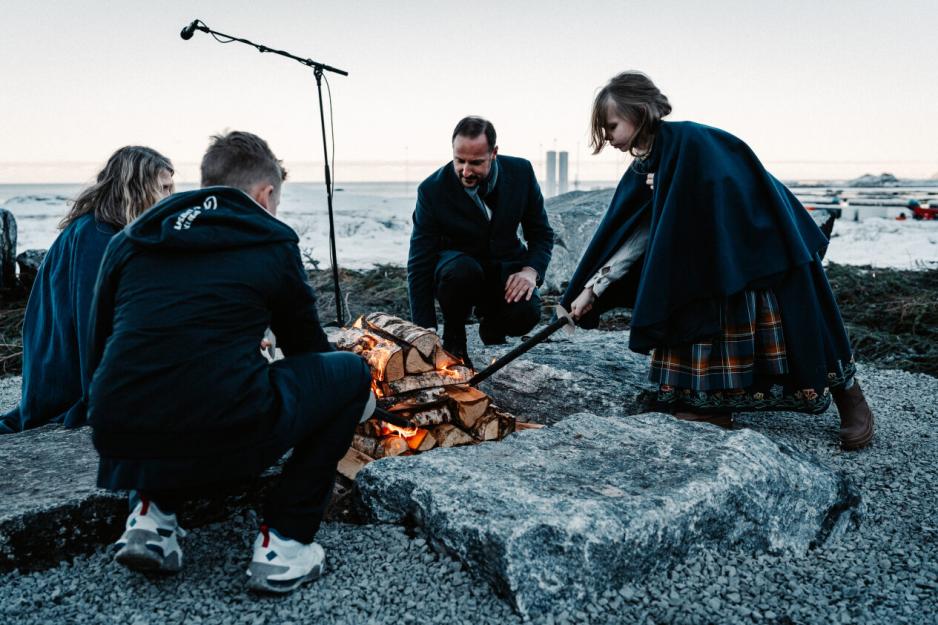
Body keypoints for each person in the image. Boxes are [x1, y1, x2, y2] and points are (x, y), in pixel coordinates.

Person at [85, 131, 375, 593]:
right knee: (351, 374)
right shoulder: (270, 239)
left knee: (168, 376)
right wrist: (360, 399)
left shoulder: (135, 235)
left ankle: (151, 517)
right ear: (265, 193)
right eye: (276, 200)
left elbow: (102, 341)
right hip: (224, 427)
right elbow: (307, 351)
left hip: (118, 428)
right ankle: (285, 543)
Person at [561, 71, 874, 450]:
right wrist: (593, 289)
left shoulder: (692, 141)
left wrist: (679, 190)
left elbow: (730, 189)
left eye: (610, 125)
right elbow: (639, 233)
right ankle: (710, 406)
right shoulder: (645, 165)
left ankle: (852, 400)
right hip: (707, 263)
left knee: (801, 318)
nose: (607, 136)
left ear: (639, 112)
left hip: (759, 244)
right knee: (691, 311)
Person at [0, 147, 174, 434]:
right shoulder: (95, 236)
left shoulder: (110, 231)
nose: (170, 198)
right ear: (137, 188)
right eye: (164, 188)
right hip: (67, 374)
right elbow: (93, 328)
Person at [407, 116, 554, 366]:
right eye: (459, 160)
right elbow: (419, 263)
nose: (465, 171)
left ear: (493, 153)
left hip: (504, 271)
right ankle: (454, 336)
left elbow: (541, 234)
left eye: (475, 162)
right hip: (458, 273)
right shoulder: (431, 190)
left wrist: (530, 272)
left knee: (526, 314)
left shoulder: (521, 173)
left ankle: (492, 322)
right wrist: (424, 331)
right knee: (461, 270)